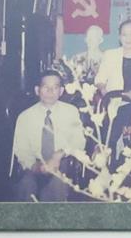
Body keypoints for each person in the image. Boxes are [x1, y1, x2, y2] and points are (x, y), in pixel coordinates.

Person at [10, 71, 85, 203]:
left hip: (61, 163)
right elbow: (21, 149)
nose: (50, 91)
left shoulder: (71, 112)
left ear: (61, 91)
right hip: (34, 165)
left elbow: (79, 141)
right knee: (26, 185)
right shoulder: (25, 117)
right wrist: (36, 167)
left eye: (55, 87)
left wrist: (59, 154)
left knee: (57, 184)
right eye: (46, 87)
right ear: (37, 90)